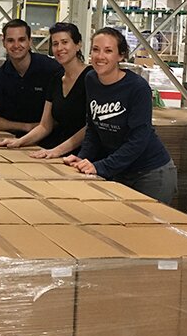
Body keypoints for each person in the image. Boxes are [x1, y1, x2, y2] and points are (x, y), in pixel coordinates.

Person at [64, 27, 177, 204]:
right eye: (95, 49)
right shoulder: (91, 80)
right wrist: (84, 157)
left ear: (121, 55)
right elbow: (94, 126)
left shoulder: (137, 88)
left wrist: (101, 166)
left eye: (108, 51)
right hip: (120, 170)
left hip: (150, 174)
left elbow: (139, 138)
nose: (100, 56)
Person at [0, 22, 89, 156]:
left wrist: (57, 151)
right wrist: (19, 142)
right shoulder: (56, 78)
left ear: (78, 45)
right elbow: (45, 126)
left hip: (83, 154)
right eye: (55, 44)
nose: (60, 48)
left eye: (65, 42)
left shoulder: (91, 78)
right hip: (59, 151)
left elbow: (90, 127)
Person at [0, 19, 62, 135]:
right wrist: (26, 127)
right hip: (15, 139)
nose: (16, 45)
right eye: (10, 41)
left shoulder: (51, 70)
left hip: (51, 139)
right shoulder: (0, 76)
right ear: (4, 43)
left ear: (29, 41)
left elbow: (65, 115)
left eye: (22, 40)